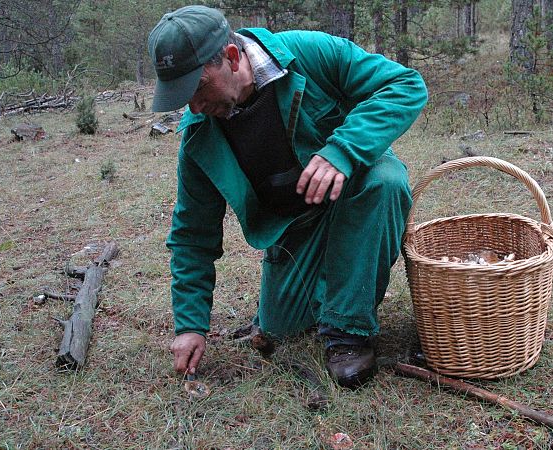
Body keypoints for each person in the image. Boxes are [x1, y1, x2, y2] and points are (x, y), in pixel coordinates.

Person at [148, 5, 427, 388]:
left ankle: (349, 333)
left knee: (386, 179)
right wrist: (190, 325)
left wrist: (343, 150)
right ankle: (326, 285)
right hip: (295, 232)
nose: (194, 107)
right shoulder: (200, 135)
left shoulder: (311, 54)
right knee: (281, 329)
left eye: (198, 88)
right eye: (183, 96)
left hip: (355, 198)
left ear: (231, 57)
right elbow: (193, 235)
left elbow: (406, 86)